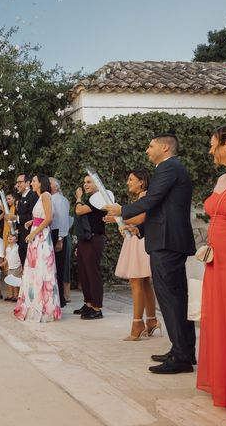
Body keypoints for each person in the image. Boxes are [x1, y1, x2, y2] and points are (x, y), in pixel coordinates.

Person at [105, 134, 196, 374]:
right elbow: (162, 208)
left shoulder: (169, 167)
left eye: (151, 145)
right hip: (164, 239)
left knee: (171, 298)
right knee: (174, 297)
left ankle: (181, 356)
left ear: (165, 147)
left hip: (167, 242)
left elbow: (153, 201)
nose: (147, 150)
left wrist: (122, 210)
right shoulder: (169, 169)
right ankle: (183, 349)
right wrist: (142, 228)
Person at [197, 121, 226, 410]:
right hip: (216, 262)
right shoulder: (223, 178)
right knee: (221, 321)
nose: (210, 149)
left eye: (214, 143)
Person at [108, 170, 159, 341]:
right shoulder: (141, 197)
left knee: (136, 281)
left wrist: (119, 218)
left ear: (141, 182)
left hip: (140, 241)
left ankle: (137, 324)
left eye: (131, 179)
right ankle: (151, 320)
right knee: (144, 282)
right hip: (137, 240)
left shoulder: (145, 197)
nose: (128, 182)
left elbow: (140, 220)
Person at [14, 174, 62, 322]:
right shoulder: (41, 197)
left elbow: (48, 218)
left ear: (41, 183)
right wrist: (31, 222)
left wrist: (34, 232)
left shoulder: (46, 195)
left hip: (41, 238)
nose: (32, 183)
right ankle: (32, 304)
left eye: (34, 181)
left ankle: (43, 308)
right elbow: (40, 217)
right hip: (36, 235)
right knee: (33, 271)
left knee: (41, 270)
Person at [74, 174, 107, 320]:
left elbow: (79, 211)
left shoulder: (99, 198)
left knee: (92, 273)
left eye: (89, 182)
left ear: (97, 184)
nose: (85, 184)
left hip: (94, 239)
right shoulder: (91, 199)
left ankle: (97, 307)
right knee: (83, 273)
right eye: (84, 182)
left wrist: (78, 198)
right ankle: (88, 303)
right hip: (85, 239)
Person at [8, 174, 38, 264]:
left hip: (30, 235)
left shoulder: (33, 196)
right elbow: (20, 217)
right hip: (22, 236)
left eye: (20, 182)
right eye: (17, 182)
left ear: (28, 183)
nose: (17, 185)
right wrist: (13, 222)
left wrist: (15, 217)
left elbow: (34, 216)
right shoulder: (21, 198)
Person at [50, 177, 70, 308]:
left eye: (50, 183)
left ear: (56, 187)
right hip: (50, 233)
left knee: (59, 266)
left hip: (59, 234)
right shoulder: (48, 198)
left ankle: (61, 298)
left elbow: (64, 220)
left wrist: (60, 239)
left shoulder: (61, 200)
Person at [0, 232, 21, 302]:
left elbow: (21, 258)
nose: (10, 237)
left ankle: (16, 296)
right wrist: (2, 264)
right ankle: (10, 295)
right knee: (9, 282)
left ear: (17, 239)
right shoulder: (8, 248)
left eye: (12, 236)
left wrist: (22, 267)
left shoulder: (17, 248)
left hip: (16, 267)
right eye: (9, 236)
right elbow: (7, 259)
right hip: (10, 267)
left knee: (15, 282)